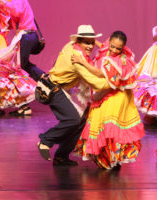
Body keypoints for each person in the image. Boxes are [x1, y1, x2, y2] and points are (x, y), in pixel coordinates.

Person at [37, 25, 111, 166]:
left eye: (92, 42)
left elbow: (101, 48)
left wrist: (93, 41)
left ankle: (61, 157)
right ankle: (45, 140)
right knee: (72, 120)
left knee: (80, 122)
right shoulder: (77, 59)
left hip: (61, 88)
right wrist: (113, 82)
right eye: (86, 42)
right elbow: (95, 82)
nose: (90, 46)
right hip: (53, 89)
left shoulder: (72, 45)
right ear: (79, 41)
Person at [72, 31, 145, 170]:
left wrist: (82, 61)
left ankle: (113, 158)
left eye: (118, 48)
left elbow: (100, 73)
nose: (114, 50)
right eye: (112, 46)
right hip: (110, 93)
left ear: (123, 48)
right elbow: (103, 45)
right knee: (103, 125)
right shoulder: (107, 48)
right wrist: (93, 42)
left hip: (118, 95)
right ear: (109, 42)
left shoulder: (119, 60)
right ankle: (107, 159)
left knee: (110, 127)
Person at [2, 0, 45, 82]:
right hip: (30, 36)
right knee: (23, 64)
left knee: (18, 66)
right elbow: (14, 20)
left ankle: (24, 88)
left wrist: (4, 3)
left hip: (27, 36)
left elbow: (17, 12)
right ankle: (43, 77)